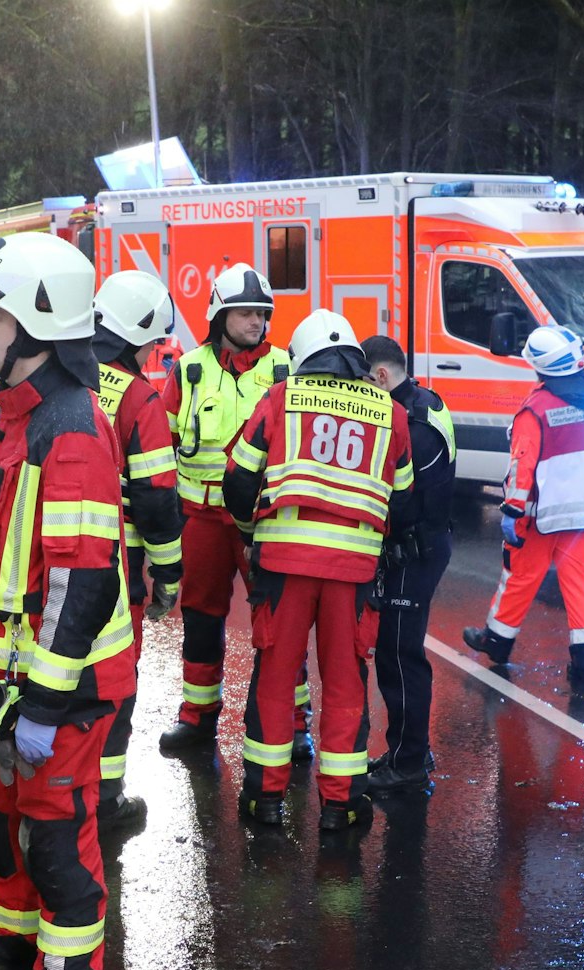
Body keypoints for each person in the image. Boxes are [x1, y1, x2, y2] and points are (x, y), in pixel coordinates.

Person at [0, 233, 131, 970]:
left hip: (60, 690)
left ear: (35, 326)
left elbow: (83, 581)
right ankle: (15, 949)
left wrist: (48, 701)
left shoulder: (71, 427)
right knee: (1, 823)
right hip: (9, 687)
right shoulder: (16, 417)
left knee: (56, 839)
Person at [223, 310, 413, 830]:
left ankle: (265, 798)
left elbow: (238, 479)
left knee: (275, 678)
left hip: (283, 566)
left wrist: (249, 530)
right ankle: (340, 804)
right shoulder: (390, 411)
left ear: (301, 358)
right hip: (353, 571)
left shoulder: (281, 398)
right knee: (347, 683)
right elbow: (404, 500)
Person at [157, 263, 303, 754]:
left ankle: (293, 724)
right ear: (220, 316)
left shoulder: (285, 368)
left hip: (265, 519)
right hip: (202, 518)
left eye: (262, 313)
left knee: (279, 621)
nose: (256, 321)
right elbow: (162, 443)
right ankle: (197, 720)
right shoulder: (189, 369)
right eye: (245, 313)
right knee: (200, 617)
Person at [88, 270, 185, 830]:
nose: (152, 354)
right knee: (113, 678)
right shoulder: (138, 396)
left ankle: (57, 788)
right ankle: (105, 799)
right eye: (151, 344)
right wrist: (167, 573)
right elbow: (156, 497)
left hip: (40, 553)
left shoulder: (59, 373)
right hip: (114, 563)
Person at [462, 325, 584, 684]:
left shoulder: (536, 409)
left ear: (539, 367)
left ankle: (496, 643)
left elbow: (522, 466)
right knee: (580, 584)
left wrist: (512, 510)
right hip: (583, 514)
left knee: (520, 577)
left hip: (538, 517)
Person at [359, 334, 455, 796]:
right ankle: (409, 750)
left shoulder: (408, 422)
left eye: (364, 382)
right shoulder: (425, 402)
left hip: (413, 551)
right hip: (426, 545)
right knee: (400, 655)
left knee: (400, 659)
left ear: (381, 375)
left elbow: (401, 502)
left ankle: (408, 763)